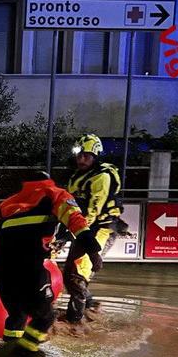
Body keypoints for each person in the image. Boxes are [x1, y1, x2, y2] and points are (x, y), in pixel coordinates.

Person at [0, 171, 102, 357]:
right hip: (29, 263)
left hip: (2, 265)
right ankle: (24, 355)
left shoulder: (7, 203)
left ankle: (5, 352)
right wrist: (93, 252)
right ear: (48, 181)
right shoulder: (55, 194)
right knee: (46, 316)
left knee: (17, 315)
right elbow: (77, 222)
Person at [62, 134, 123, 323]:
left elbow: (92, 212)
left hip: (101, 230)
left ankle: (75, 323)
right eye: (79, 155)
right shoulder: (76, 177)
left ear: (95, 156)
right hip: (84, 230)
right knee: (68, 274)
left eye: (86, 156)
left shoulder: (101, 177)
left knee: (77, 276)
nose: (81, 159)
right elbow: (68, 207)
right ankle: (90, 306)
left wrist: (70, 233)